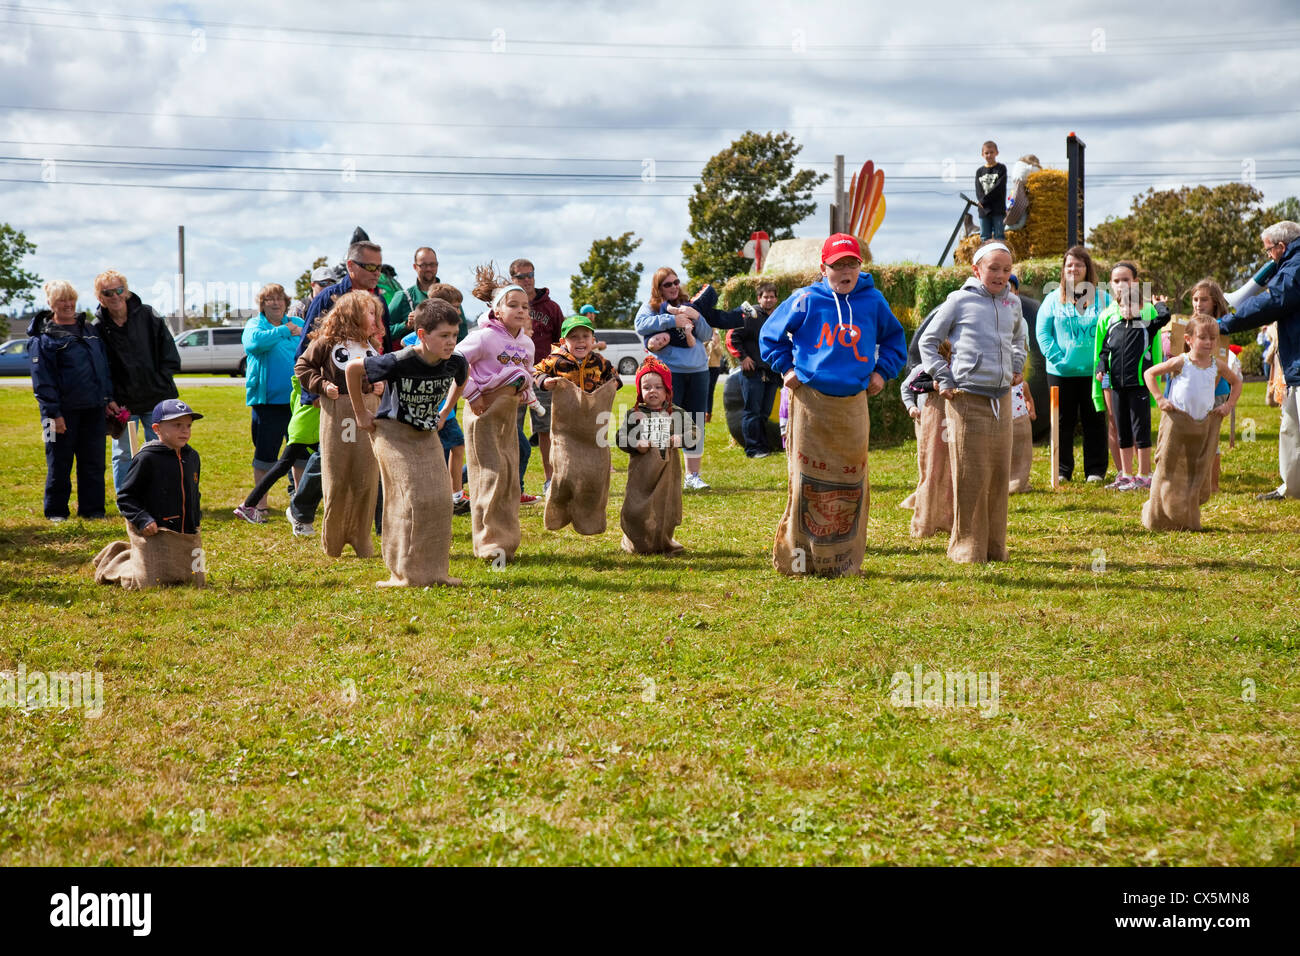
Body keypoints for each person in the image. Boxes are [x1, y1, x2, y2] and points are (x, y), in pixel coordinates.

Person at [760, 233, 907, 576]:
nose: (845, 270)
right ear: (822, 268)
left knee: (850, 482)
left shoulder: (873, 302)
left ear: (859, 267)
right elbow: (770, 335)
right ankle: (801, 560)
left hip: (853, 405)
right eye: (837, 264)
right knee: (805, 480)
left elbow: (894, 339)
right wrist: (788, 367)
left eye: (851, 264)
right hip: (811, 403)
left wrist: (882, 373)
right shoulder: (806, 299)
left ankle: (843, 561)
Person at [918, 240, 1027, 564]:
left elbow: (1020, 338)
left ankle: (994, 547)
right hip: (967, 398)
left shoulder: (1013, 304)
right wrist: (944, 376)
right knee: (970, 476)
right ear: (976, 269)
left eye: (1006, 270)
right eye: (994, 268)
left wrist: (1017, 365)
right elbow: (928, 340)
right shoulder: (959, 301)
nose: (1000, 275)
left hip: (1001, 399)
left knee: (997, 475)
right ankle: (967, 548)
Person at [347, 298, 467, 587]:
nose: (451, 342)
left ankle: (435, 572)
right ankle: (400, 573)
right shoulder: (399, 360)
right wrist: (361, 413)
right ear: (423, 335)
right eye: (444, 336)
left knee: (439, 499)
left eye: (454, 335)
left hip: (425, 432)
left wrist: (444, 413)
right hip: (392, 432)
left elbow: (461, 380)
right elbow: (352, 369)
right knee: (411, 497)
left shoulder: (456, 361)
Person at [288, 240, 393, 530]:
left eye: (379, 267)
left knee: (375, 454)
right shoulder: (329, 297)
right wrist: (316, 391)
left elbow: (385, 348)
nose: (376, 273)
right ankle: (301, 509)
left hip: (371, 395)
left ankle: (380, 523)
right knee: (330, 458)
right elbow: (307, 349)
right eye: (370, 267)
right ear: (351, 266)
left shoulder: (380, 300)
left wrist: (384, 382)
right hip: (336, 396)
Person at [635, 268, 744, 490]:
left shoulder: (689, 305)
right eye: (667, 284)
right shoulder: (651, 307)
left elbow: (704, 335)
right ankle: (662, 473)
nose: (674, 287)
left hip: (698, 371)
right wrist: (671, 320)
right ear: (658, 288)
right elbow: (641, 326)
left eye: (676, 282)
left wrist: (695, 317)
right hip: (669, 371)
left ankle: (692, 476)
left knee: (695, 422)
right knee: (665, 420)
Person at [456, 269, 537, 562]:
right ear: (496, 309)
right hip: (482, 413)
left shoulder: (526, 344)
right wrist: (473, 393)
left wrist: (528, 390)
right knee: (488, 476)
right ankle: (488, 543)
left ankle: (506, 540)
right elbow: (455, 361)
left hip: (509, 415)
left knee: (508, 477)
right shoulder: (484, 338)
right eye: (512, 304)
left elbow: (526, 373)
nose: (520, 310)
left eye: (525, 306)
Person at [294, 290, 383, 558]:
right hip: (338, 414)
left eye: (374, 313)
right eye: (369, 313)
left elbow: (380, 373)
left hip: (368, 413)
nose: (374, 318)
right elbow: (303, 366)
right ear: (352, 315)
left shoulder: (371, 346)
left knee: (367, 478)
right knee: (337, 477)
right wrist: (322, 386)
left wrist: (379, 386)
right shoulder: (327, 342)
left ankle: (360, 536)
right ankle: (333, 539)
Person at [1218, 220, 1300, 501]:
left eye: (1268, 251)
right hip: (1295, 365)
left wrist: (1225, 324)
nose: (1267, 257)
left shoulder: (1295, 267)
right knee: (1291, 428)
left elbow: (1272, 302)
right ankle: (1292, 488)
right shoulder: (1290, 265)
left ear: (1281, 247)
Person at [1141, 313, 1242, 530]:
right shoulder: (1181, 362)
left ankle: (1187, 518)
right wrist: (1160, 398)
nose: (1209, 342)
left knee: (1195, 471)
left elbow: (1236, 382)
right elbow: (1149, 373)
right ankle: (1157, 516)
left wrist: (1228, 405)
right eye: (1203, 337)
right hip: (1177, 423)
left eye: (1213, 338)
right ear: (1188, 340)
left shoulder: (1217, 366)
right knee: (1168, 467)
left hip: (1202, 426)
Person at [28, 280, 117, 522]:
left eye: (71, 299)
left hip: (93, 409)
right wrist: (53, 414)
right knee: (58, 464)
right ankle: (56, 512)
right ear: (51, 304)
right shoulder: (42, 339)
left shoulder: (89, 330)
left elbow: (103, 368)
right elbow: (42, 381)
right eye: (61, 300)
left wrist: (107, 398)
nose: (67, 305)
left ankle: (93, 510)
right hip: (57, 414)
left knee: (94, 464)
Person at [92, 270, 182, 493]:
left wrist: (160, 381)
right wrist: (108, 398)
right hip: (122, 404)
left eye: (119, 290)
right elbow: (97, 367)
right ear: (100, 297)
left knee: (161, 449)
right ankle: (126, 499)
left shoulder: (148, 315)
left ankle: (160, 496)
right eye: (108, 292)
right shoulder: (97, 327)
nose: (115, 296)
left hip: (156, 398)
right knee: (122, 453)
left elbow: (169, 353)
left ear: (127, 290)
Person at [1035, 246, 1111, 483]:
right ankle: (1062, 470)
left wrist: (1102, 362)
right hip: (1060, 373)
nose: (1074, 269)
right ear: (1063, 269)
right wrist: (1059, 360)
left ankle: (1095, 471)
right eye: (1069, 265)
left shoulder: (1103, 298)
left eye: (1079, 264)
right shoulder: (1051, 299)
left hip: (1094, 373)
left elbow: (1111, 330)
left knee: (1095, 421)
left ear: (1087, 269)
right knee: (1061, 422)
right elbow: (1043, 334)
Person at [1093, 262, 1170, 491]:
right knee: (1122, 430)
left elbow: (1164, 317)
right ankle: (1126, 474)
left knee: (1141, 430)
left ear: (1141, 305)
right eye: (1124, 305)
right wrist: (1101, 368)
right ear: (1118, 305)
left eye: (1134, 305)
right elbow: (1104, 352)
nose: (1128, 309)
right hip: (1117, 386)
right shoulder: (1112, 326)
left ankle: (1144, 474)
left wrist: (1160, 304)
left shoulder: (1147, 326)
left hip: (1138, 386)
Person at [399, 283, 471, 513]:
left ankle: (455, 494)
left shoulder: (448, 342)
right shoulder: (421, 338)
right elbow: (406, 342)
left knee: (457, 445)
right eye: (455, 307)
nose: (458, 312)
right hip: (425, 409)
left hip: (446, 411)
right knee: (431, 457)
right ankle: (429, 497)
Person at [233, 284, 303, 523]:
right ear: (262, 305)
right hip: (267, 402)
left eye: (279, 299)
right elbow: (254, 344)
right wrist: (285, 330)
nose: (275, 303)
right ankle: (260, 506)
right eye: (269, 300)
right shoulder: (255, 325)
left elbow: (310, 346)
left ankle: (300, 505)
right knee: (265, 455)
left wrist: (292, 329)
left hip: (297, 401)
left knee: (300, 453)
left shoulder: (299, 324)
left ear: (286, 302)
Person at [616, 357, 698, 554]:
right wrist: (636, 443)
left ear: (667, 390)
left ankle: (662, 540)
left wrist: (679, 439)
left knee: (664, 508)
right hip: (641, 471)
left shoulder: (676, 413)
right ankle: (636, 540)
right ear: (640, 391)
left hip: (668, 472)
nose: (652, 391)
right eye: (647, 387)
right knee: (635, 508)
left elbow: (694, 434)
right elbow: (620, 437)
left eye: (658, 387)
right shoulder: (634, 414)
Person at [509, 258, 564, 495]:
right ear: (513, 279)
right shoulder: (507, 306)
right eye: (521, 276)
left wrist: (555, 366)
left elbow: (561, 341)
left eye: (530, 274)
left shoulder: (550, 308)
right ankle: (513, 482)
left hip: (543, 376)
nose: (527, 279)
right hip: (513, 377)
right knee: (512, 429)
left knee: (546, 429)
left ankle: (550, 479)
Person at [116, 399, 203, 538]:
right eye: (177, 425)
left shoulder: (192, 457)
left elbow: (194, 492)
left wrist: (196, 517)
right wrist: (142, 519)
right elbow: (126, 498)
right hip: (157, 535)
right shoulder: (147, 458)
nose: (184, 430)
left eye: (188, 425)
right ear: (156, 429)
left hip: (188, 535)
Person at [733, 282, 781, 458]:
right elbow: (732, 337)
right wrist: (743, 357)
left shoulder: (778, 316)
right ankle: (752, 449)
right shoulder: (748, 314)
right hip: (752, 371)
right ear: (759, 298)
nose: (769, 299)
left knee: (764, 413)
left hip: (772, 372)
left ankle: (763, 446)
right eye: (765, 296)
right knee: (752, 412)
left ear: (776, 298)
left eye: (772, 296)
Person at [387, 246, 469, 341]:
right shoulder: (403, 297)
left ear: (437, 265)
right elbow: (384, 331)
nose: (429, 268)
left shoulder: (450, 295)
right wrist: (406, 325)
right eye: (424, 265)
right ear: (415, 266)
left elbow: (462, 334)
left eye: (432, 264)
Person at [534, 313, 619, 394]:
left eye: (585, 336)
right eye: (574, 336)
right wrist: (544, 380)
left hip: (593, 407)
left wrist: (614, 384)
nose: (581, 340)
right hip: (566, 407)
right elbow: (536, 371)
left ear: (592, 340)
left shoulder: (598, 360)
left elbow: (612, 374)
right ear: (563, 342)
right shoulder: (555, 359)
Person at [974, 141, 1008, 241]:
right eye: (986, 153)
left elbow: (999, 188)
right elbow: (978, 190)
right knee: (985, 237)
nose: (989, 155)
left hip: (998, 210)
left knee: (999, 236)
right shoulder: (979, 172)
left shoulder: (1001, 168)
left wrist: (983, 201)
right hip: (984, 210)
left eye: (991, 152)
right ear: (982, 154)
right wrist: (983, 204)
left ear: (997, 153)